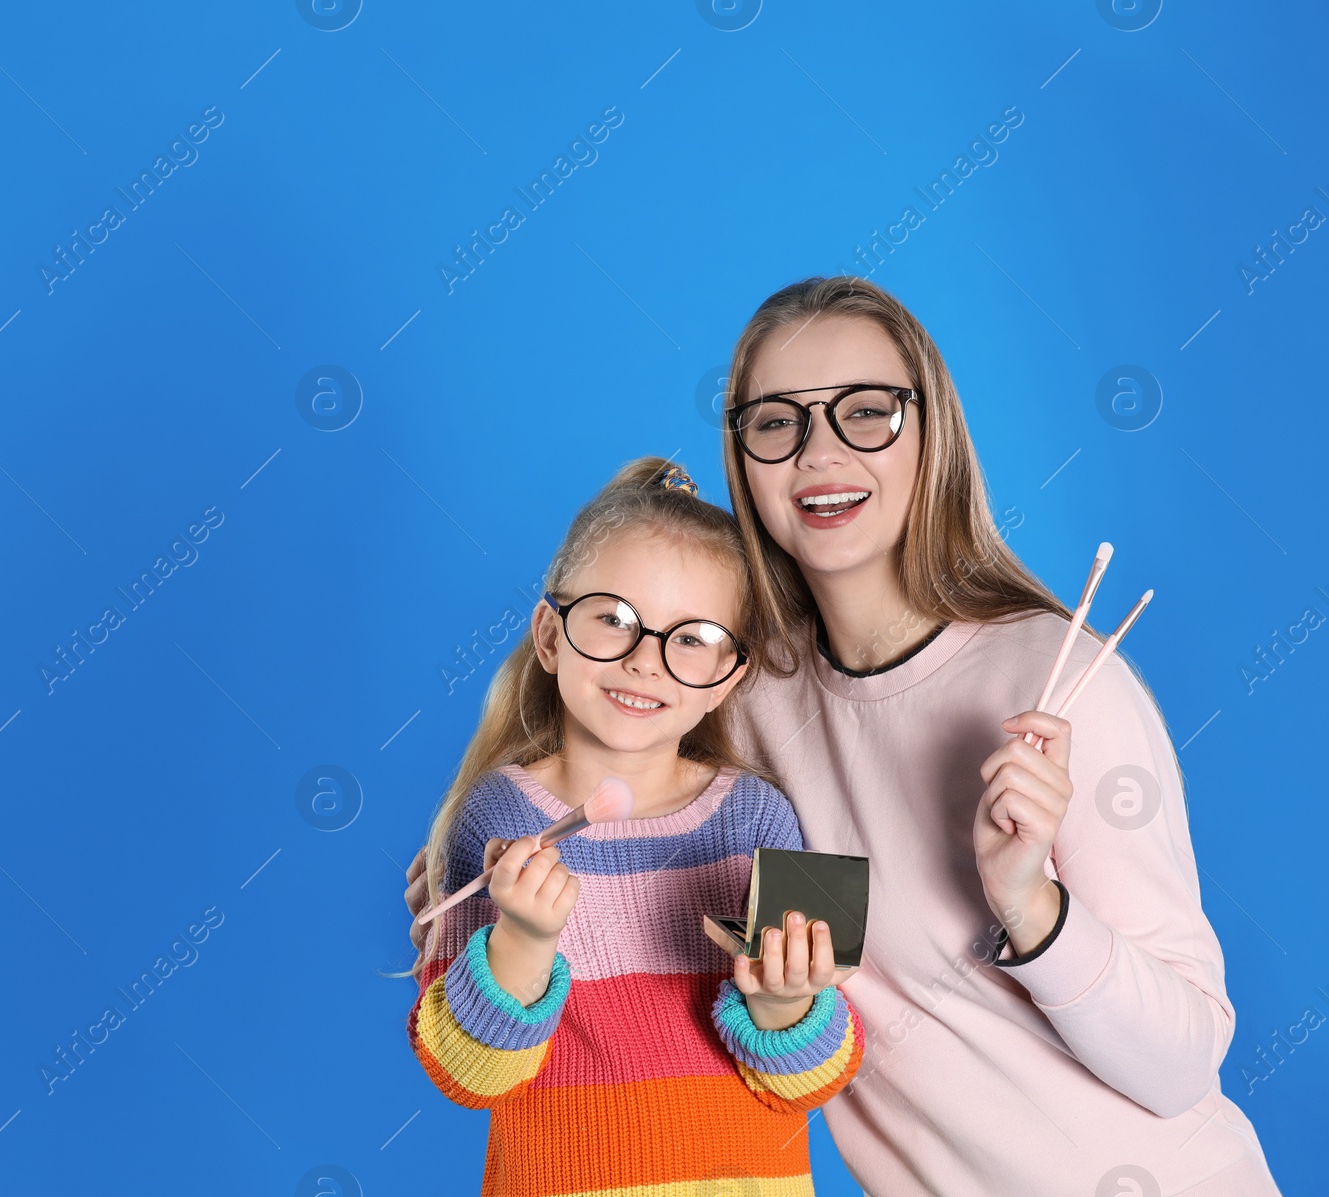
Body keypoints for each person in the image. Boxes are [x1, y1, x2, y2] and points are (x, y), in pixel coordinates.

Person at [409, 277, 1281, 1196]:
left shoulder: (1057, 680)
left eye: (867, 411)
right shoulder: (739, 696)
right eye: (777, 421)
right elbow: (610, 776)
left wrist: (1031, 904)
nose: (820, 452)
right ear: (741, 453)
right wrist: (472, 869)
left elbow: (1182, 1067)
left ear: (930, 431)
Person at [403, 457, 865, 1196]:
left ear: (729, 677)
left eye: (693, 637)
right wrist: (521, 940)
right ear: (551, 636)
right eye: (613, 619)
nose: (646, 659)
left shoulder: (760, 817)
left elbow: (812, 1082)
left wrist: (783, 1002)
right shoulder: (493, 820)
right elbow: (465, 1075)